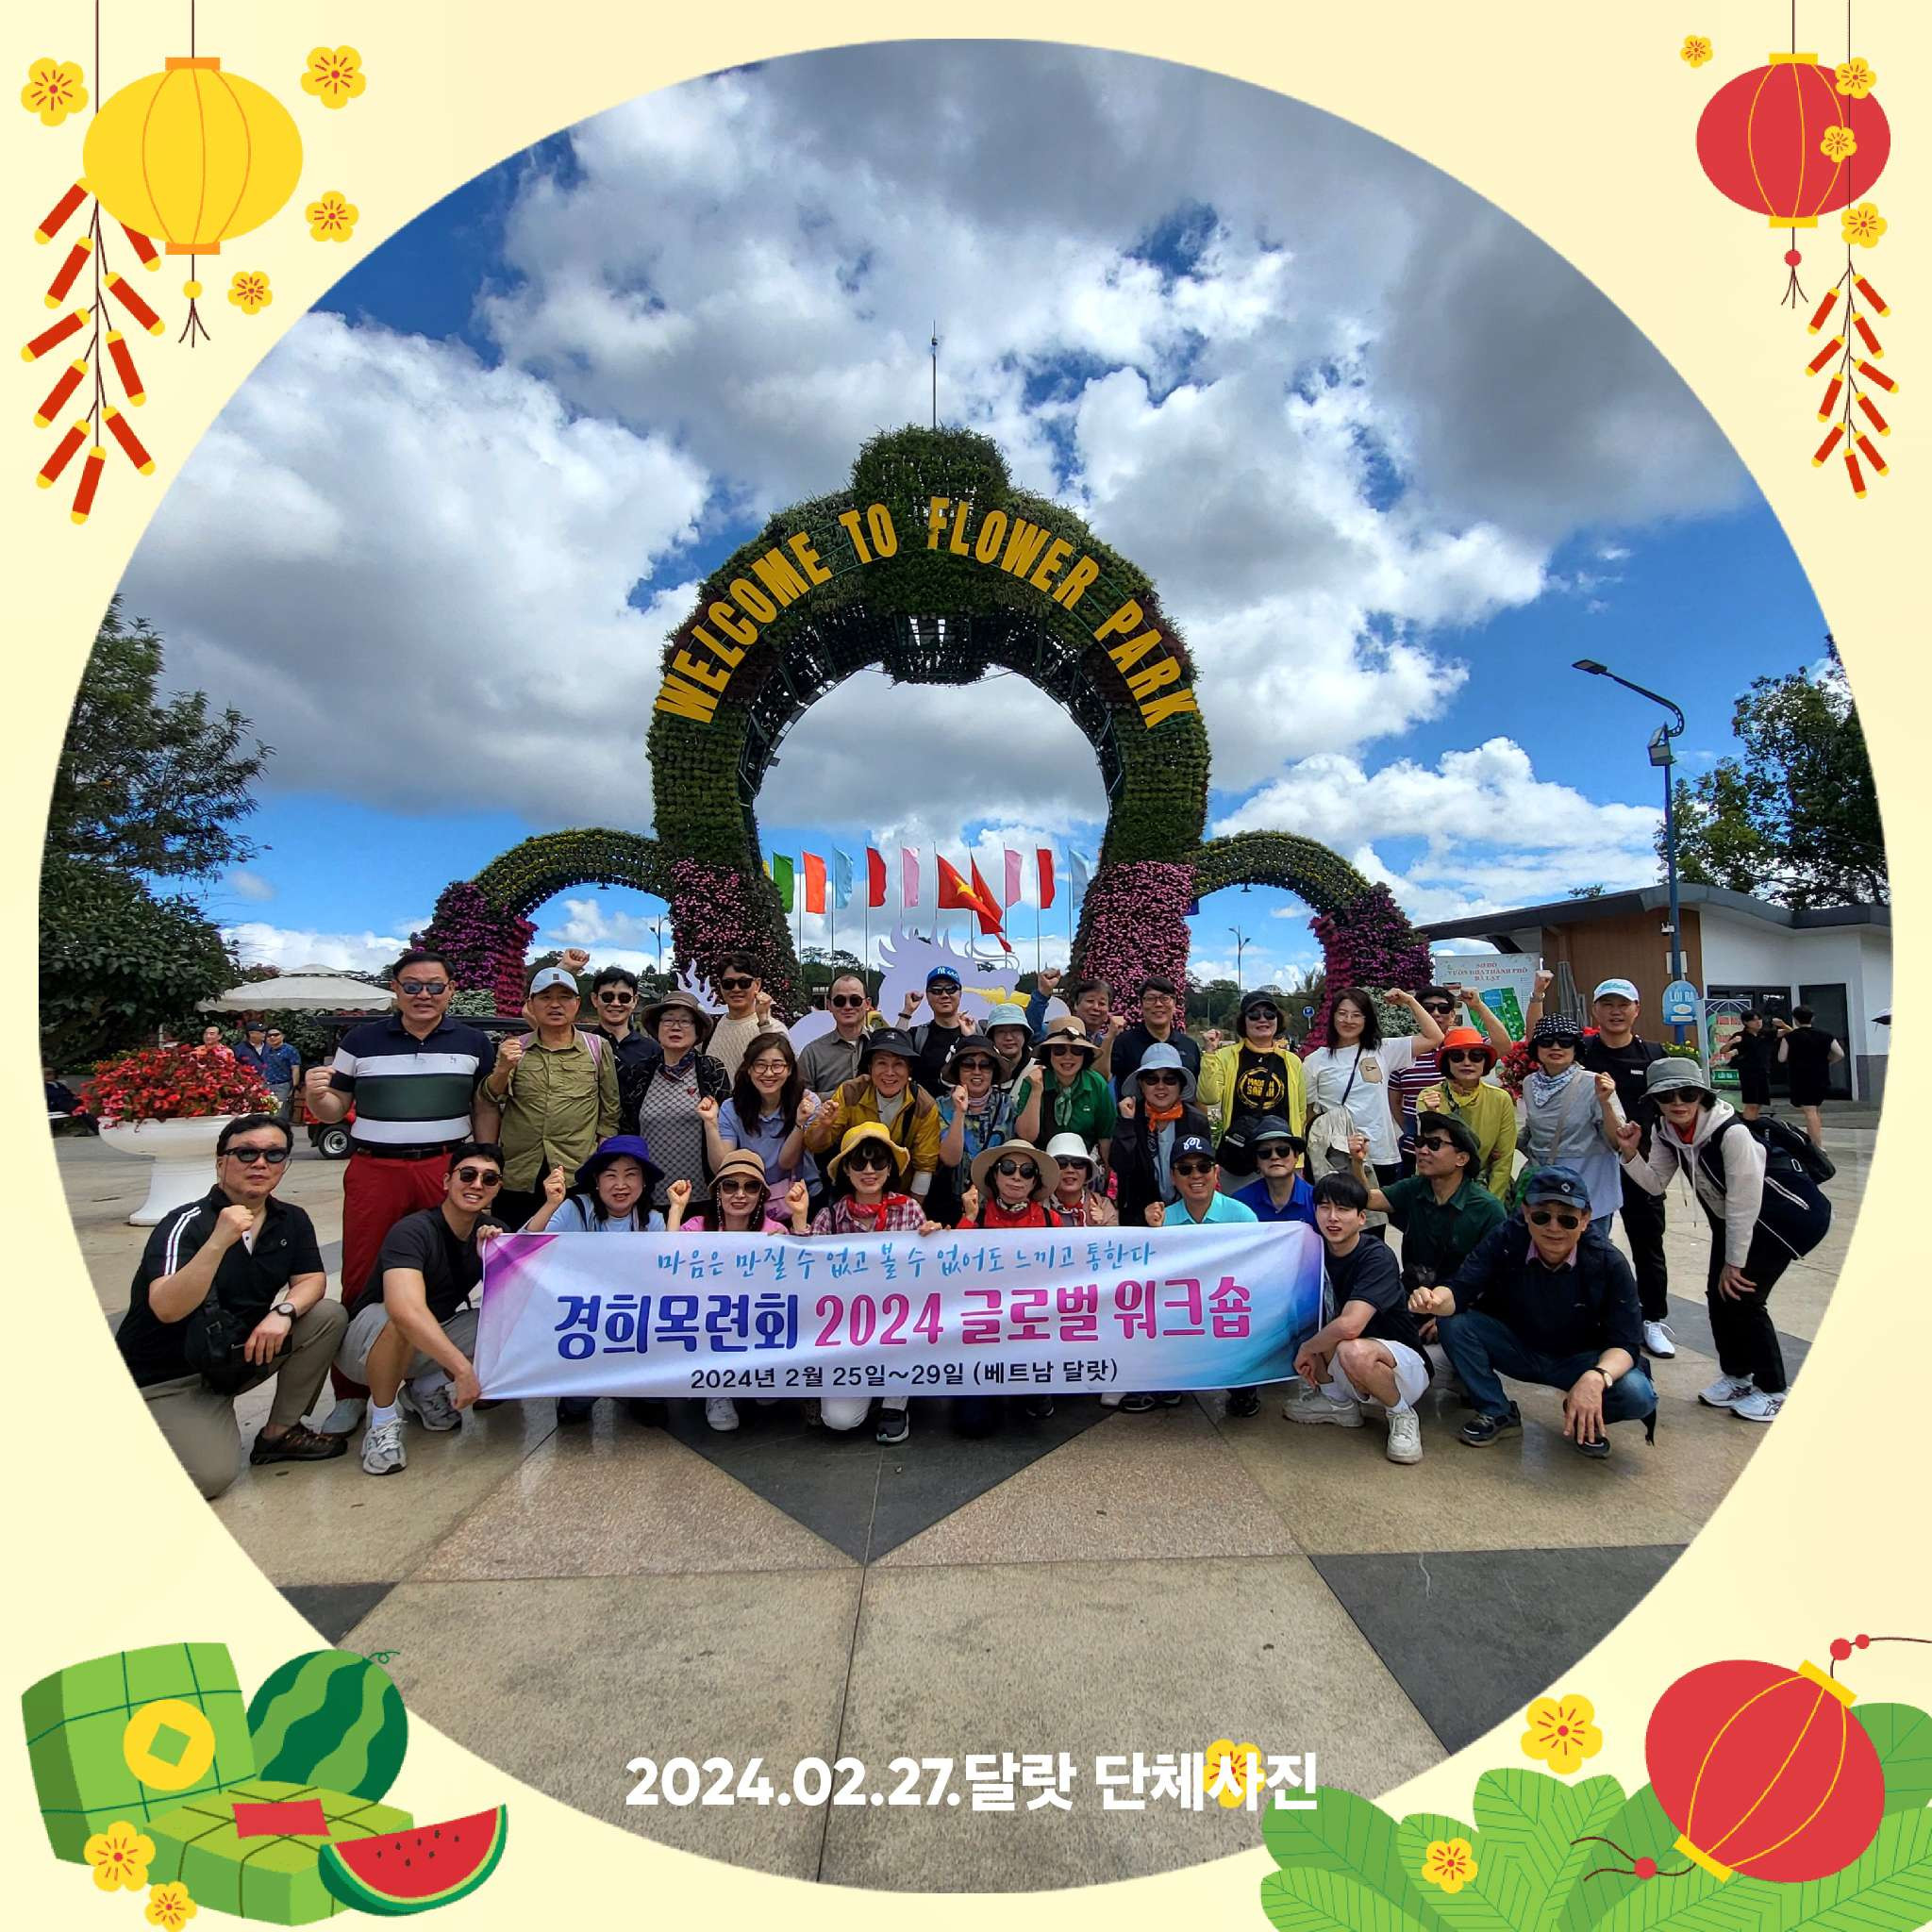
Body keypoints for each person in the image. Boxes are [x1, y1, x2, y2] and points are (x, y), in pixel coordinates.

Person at [302, 947, 499, 1436]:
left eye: (434, 986)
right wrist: (315, 1095)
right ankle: (352, 1392)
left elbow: (484, 1105)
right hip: (376, 1168)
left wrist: (487, 1163)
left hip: (443, 1168)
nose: (423, 995)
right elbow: (334, 1108)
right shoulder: (361, 1040)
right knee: (362, 1274)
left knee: (443, 1274)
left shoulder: (474, 1042)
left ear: (451, 990)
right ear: (395, 989)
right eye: (412, 986)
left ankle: (422, 1379)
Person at [115, 1113, 348, 1497]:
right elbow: (166, 1307)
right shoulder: (185, 1223)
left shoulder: (290, 1220)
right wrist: (218, 1241)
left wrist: (282, 1313)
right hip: (168, 1377)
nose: (261, 1163)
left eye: (274, 1155)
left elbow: (311, 1280)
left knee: (326, 1316)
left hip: (233, 1356)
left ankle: (279, 1433)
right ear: (221, 1161)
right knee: (210, 1478)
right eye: (246, 1153)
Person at [1616, 1058, 1829, 1423]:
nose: (1678, 1103)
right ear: (1654, 1100)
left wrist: (1735, 1262)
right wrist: (1630, 1152)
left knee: (1744, 1298)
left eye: (1688, 1094)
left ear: (1703, 1095)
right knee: (1719, 1296)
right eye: (1667, 1096)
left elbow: (1745, 1202)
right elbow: (1654, 1184)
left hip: (1784, 1217)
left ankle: (1775, 1391)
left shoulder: (1732, 1133)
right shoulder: (1666, 1130)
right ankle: (1737, 1377)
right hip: (1735, 1220)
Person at [1410, 1165, 1657, 1458]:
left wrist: (1595, 1377)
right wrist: (1435, 1300)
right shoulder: (1506, 1239)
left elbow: (1626, 1342)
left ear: (1585, 1220)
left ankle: (1584, 1415)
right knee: (1454, 1323)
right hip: (1519, 1347)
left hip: (1580, 1360)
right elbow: (1462, 1287)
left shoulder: (1608, 1262)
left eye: (1567, 1219)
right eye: (1542, 1216)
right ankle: (1496, 1410)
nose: (1553, 1227)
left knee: (1637, 1393)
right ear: (1526, 1213)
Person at [1524, 972, 1674, 1357]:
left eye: (1623, 1004)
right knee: (1588, 1247)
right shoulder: (1583, 1050)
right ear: (1595, 1010)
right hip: (1592, 1166)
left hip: (1639, 1161)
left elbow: (1674, 1102)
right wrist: (1538, 996)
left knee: (1647, 1241)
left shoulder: (1654, 1054)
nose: (1615, 1012)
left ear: (1637, 1009)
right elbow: (1538, 1039)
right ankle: (1586, 1318)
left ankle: (1652, 1318)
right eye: (1607, 1004)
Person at [340, 1142, 508, 1476]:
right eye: (468, 1175)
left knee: (506, 1322)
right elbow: (405, 1310)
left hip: (429, 1336)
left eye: (489, 1179)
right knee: (399, 1319)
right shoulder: (413, 1230)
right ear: (446, 1181)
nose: (477, 1185)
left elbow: (515, 1298)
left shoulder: (490, 1231)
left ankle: (424, 1391)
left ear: (497, 1188)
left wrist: (490, 1261)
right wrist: (462, 1370)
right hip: (367, 1344)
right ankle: (382, 1423)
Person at [520, 1134, 669, 1431]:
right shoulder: (573, 1209)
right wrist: (550, 1204)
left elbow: (666, 1277)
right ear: (597, 1181)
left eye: (631, 1175)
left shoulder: (652, 1220)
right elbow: (523, 1249)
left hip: (634, 1322)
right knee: (576, 1407)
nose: (621, 1184)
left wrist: (676, 1209)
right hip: (582, 1323)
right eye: (610, 1175)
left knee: (653, 1400)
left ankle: (642, 1392)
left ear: (643, 1182)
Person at [1280, 1172, 1429, 1465]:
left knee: (1351, 1346)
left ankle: (1401, 1413)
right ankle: (1337, 1403)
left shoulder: (1377, 1257)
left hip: (1400, 1366)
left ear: (1362, 1218)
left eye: (1343, 1209)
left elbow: (1351, 1325)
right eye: (1324, 1207)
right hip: (1348, 1362)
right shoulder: (1315, 1250)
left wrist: (1308, 1349)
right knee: (1310, 1320)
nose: (1332, 1217)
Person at [808, 1124, 944, 1444]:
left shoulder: (910, 1210)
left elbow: (930, 1273)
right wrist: (793, 1231)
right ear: (846, 1169)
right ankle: (871, 1393)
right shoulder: (830, 1217)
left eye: (878, 1161)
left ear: (890, 1168)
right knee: (839, 1420)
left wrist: (937, 1240)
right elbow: (807, 1272)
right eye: (859, 1162)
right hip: (845, 1334)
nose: (869, 1170)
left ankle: (895, 1403)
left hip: (899, 1326)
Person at [667, 1150, 811, 1432]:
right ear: (718, 1192)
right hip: (708, 1321)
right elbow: (667, 1262)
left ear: (761, 1194)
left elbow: (801, 1277)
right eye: (730, 1186)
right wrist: (676, 1209)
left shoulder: (774, 1230)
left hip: (756, 1319)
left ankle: (758, 1373)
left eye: (751, 1186)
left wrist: (797, 1222)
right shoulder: (697, 1228)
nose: (740, 1194)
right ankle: (716, 1390)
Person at [480, 966, 621, 1228]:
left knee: (573, 1243)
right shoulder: (516, 1047)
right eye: (545, 997)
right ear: (531, 1004)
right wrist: (502, 1068)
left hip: (576, 1170)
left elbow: (610, 1110)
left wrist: (601, 1159)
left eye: (564, 997)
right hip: (521, 1172)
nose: (555, 1005)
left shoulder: (596, 1047)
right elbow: (491, 1096)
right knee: (515, 1242)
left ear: (576, 1003)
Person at [1142, 1131, 1262, 1417]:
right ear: (1173, 1177)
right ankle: (1171, 1380)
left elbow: (1258, 1271)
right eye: (1185, 1169)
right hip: (1181, 1310)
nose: (1195, 1175)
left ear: (1216, 1172)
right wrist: (1152, 1234)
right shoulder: (1163, 1220)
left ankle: (1243, 1386)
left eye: (1203, 1167)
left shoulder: (1242, 1216)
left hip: (1227, 1307)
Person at [953, 1141, 1065, 1432]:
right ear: (995, 1175)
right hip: (983, 1328)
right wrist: (967, 1220)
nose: (1017, 1176)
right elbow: (955, 1269)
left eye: (1026, 1171)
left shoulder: (1050, 1220)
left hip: (1033, 1325)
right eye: (1008, 1168)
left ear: (1035, 1181)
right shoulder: (976, 1215)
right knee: (972, 1424)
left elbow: (1065, 1275)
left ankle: (1031, 1389)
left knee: (1035, 1407)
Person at [1300, 988, 1446, 1191]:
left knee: (1379, 1210)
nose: (1348, 1020)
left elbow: (1434, 1037)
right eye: (1342, 1013)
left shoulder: (1382, 1050)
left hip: (1381, 1153)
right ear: (1332, 1017)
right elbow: (1309, 1115)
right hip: (1339, 1155)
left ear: (1366, 1019)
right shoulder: (1315, 1061)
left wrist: (1409, 1001)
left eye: (1356, 1015)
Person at [1347, 1112, 1507, 1290]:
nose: (1422, 1151)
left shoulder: (1488, 1209)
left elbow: (1496, 1274)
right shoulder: (1415, 1187)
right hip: (1413, 1292)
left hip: (1461, 1299)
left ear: (1461, 1159)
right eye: (1420, 1142)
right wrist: (1357, 1162)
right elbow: (1368, 1199)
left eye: (1434, 1144)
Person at [618, 990, 732, 1209]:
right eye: (668, 1020)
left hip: (703, 1196)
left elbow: (727, 1127)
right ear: (657, 1028)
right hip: (649, 1196)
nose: (676, 1027)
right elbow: (627, 1129)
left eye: (685, 1021)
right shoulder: (640, 1072)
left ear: (697, 1030)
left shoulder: (711, 1070)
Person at [800, 1028, 942, 1200]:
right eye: (882, 1063)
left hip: (899, 1193)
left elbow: (925, 1166)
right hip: (852, 1191)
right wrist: (824, 1125)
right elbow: (815, 1146)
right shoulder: (850, 1092)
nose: (889, 1072)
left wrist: (912, 1209)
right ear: (870, 1067)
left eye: (898, 1064)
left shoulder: (924, 1105)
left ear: (909, 1069)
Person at [1515, 1015, 1626, 1230]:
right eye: (1547, 1041)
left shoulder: (1595, 1083)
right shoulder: (1529, 1084)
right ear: (1536, 1048)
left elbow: (1617, 1141)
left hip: (1589, 1186)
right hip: (1544, 1188)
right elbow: (1533, 1132)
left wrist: (1605, 1103)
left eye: (1565, 1041)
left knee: (1589, 1249)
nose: (1556, 1047)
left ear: (1576, 1048)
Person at [1197, 991, 1308, 1180]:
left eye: (1269, 1014)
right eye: (1254, 1015)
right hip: (1240, 1156)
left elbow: (1300, 1112)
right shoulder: (1226, 1056)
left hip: (1282, 1157)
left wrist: (1296, 1156)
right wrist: (1209, 1053)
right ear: (1244, 1021)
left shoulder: (1292, 1061)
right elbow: (1208, 1097)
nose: (1262, 1019)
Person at [1108, 1041, 1211, 1228]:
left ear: (1181, 1085)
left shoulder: (1196, 1122)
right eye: (1152, 1080)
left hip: (1185, 1216)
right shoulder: (1130, 1117)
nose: (1161, 1086)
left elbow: (1204, 1171)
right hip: (1139, 1217)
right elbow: (1120, 1165)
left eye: (1170, 1080)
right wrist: (1126, 1124)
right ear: (1141, 1084)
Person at [708, 1032, 818, 1198]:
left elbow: (787, 1163)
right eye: (760, 1065)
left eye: (777, 1065)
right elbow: (722, 1167)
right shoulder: (731, 1107)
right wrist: (710, 1123)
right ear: (749, 1069)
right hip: (747, 1196)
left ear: (789, 1069)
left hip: (799, 1195)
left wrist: (799, 1123)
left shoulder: (807, 1103)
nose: (768, 1073)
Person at [1411, 1027, 1516, 1199]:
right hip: (1438, 1187)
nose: (1467, 1063)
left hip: (1483, 1188)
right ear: (1447, 1062)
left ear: (1485, 1061)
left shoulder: (1500, 1098)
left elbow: (1504, 1159)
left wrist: (1492, 1202)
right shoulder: (1429, 1096)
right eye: (1457, 1056)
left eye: (1476, 1056)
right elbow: (1429, 1151)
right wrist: (1433, 1113)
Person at [931, 1033, 1017, 1224]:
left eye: (985, 1065)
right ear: (958, 1070)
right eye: (968, 1065)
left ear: (993, 1071)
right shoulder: (940, 1106)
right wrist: (960, 1112)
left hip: (998, 1206)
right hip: (950, 1206)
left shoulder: (1008, 1105)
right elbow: (950, 1159)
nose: (977, 1071)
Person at [1013, 1018, 1118, 1161]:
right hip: (1042, 1161)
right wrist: (1036, 1092)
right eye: (1059, 1050)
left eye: (1077, 1050)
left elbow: (1105, 1136)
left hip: (1083, 1163)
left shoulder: (1096, 1083)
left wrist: (1106, 1171)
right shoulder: (1032, 1081)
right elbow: (1026, 1136)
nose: (1068, 1057)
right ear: (1048, 1053)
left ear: (1085, 1054)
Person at [1110, 976, 1200, 1097]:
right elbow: (1103, 1078)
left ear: (1174, 1004)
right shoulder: (1123, 1043)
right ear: (1141, 1005)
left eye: (1165, 998)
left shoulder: (1190, 1046)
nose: (1158, 1004)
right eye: (1150, 999)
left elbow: (1197, 1095)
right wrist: (1109, 1037)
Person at [706, 953, 787, 1083]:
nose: (736, 989)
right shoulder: (710, 1029)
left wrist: (764, 1023)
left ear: (757, 984)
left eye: (744, 983)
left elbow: (782, 1072)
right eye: (728, 983)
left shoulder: (773, 1027)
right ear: (720, 986)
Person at [1776, 1007, 1845, 1148]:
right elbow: (1840, 1054)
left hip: (1800, 1078)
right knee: (1814, 1110)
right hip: (1821, 1076)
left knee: (1810, 1111)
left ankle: (1816, 1146)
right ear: (1812, 1018)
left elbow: (1781, 1058)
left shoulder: (1790, 1037)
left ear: (1795, 1020)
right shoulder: (1826, 1035)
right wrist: (1828, 1061)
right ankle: (1816, 1141)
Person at [797, 971, 874, 1095]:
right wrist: (841, 1096)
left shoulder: (880, 1045)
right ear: (829, 1005)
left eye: (855, 1000)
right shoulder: (812, 1053)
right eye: (840, 1001)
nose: (848, 1006)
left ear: (867, 1004)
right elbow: (801, 1099)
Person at [1029, 970, 1115, 1079]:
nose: (1096, 1007)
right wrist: (1042, 993)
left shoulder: (1107, 1042)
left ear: (1108, 1010)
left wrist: (1109, 1039)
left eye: (1102, 1003)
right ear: (1076, 1005)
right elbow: (1032, 1031)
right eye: (1090, 1001)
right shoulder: (1057, 1032)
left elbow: (1102, 1079)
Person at [900, 965, 971, 1095]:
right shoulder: (918, 1035)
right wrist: (907, 1012)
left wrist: (972, 1038)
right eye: (936, 990)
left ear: (960, 994)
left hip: (968, 1107)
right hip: (926, 1107)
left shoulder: (975, 1032)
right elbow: (894, 1050)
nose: (944, 995)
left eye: (951, 989)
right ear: (927, 996)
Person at [587, 964, 662, 1083]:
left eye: (624, 997)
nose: (616, 1003)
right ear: (595, 999)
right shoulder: (583, 1045)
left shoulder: (653, 1050)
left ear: (634, 1001)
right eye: (608, 996)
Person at [1233, 1117, 1316, 1224]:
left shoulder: (1316, 1201)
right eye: (1265, 1152)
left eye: (1283, 1150)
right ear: (1256, 1161)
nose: (1274, 1156)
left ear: (1296, 1156)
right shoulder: (1240, 1203)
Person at [1713, 1009, 1776, 1120]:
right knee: (1751, 1103)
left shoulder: (1766, 1034)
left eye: (1759, 1019)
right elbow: (1723, 1050)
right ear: (1746, 1022)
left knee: (1760, 1102)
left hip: (1763, 1071)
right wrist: (1732, 1042)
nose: (1758, 1022)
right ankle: (1748, 1124)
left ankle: (1753, 1122)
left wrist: (1783, 1025)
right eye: (1754, 1020)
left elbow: (1789, 1032)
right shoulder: (1741, 1036)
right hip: (1748, 1073)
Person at [1044, 1133, 1118, 1225]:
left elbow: (1115, 1233)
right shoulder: (1036, 1209)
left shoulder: (1103, 1205)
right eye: (1061, 1163)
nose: (1070, 1170)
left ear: (1088, 1170)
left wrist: (1101, 1226)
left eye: (1078, 1163)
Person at [981, 1001, 1037, 1106]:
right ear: (992, 1037)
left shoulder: (1038, 1069)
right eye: (1001, 1032)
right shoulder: (981, 1068)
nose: (1008, 1038)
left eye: (1015, 1030)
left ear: (1025, 1034)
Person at [260, 1027, 301, 1117]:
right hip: (267, 1086)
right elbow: (265, 1068)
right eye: (269, 1035)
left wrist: (294, 1087)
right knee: (267, 1114)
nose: (272, 1037)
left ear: (282, 1036)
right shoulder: (267, 1051)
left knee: (279, 1114)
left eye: (276, 1035)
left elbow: (295, 1069)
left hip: (282, 1086)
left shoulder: (290, 1050)